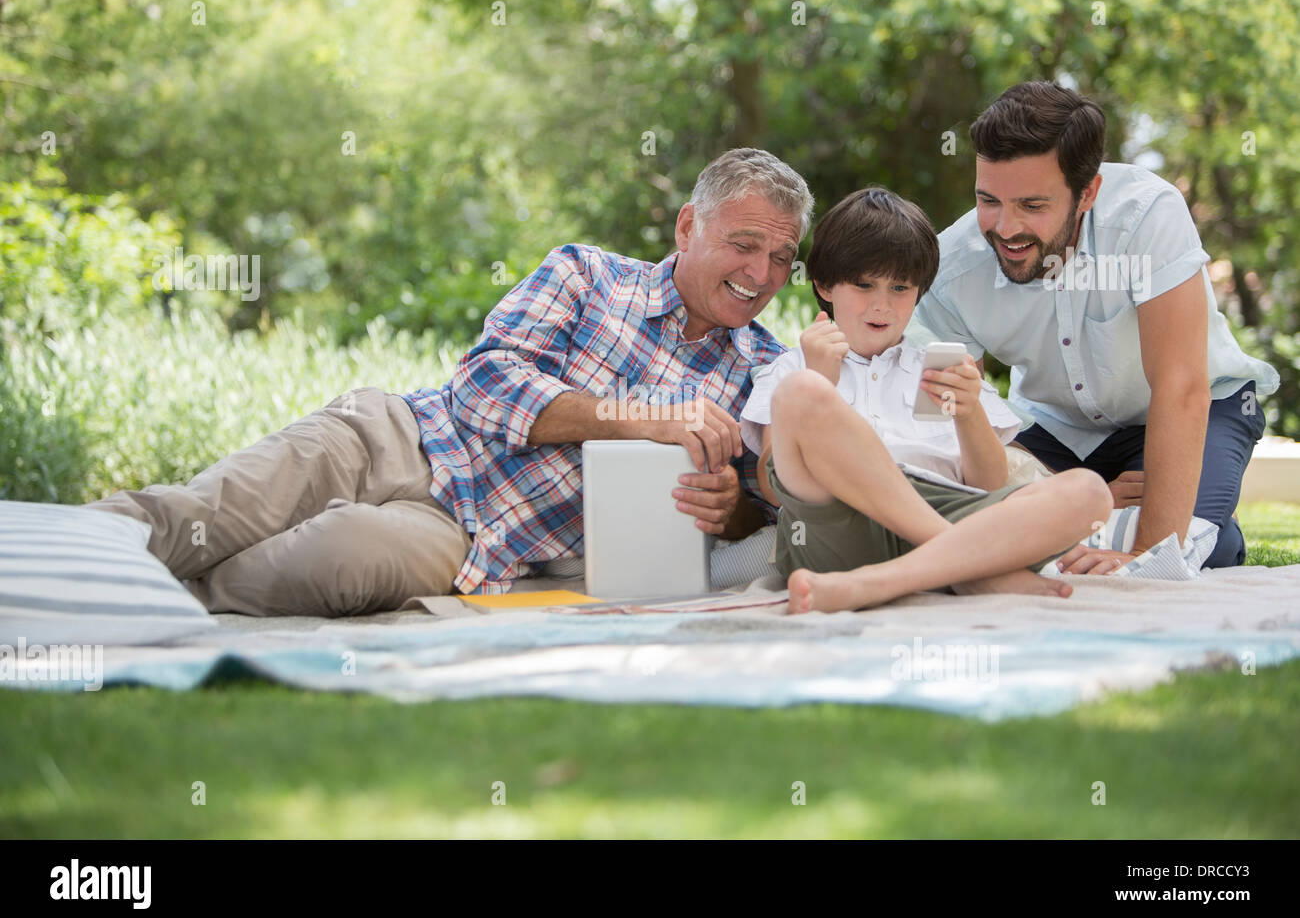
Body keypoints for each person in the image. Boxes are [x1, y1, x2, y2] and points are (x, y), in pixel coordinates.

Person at [83, 148, 813, 615]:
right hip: (400, 438)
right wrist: (637, 416)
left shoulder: (762, 371)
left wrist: (728, 511)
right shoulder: (587, 273)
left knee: (338, 555)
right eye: (743, 244)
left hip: (473, 539)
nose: (760, 275)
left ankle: (165, 602)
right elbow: (486, 382)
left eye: (781, 258)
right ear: (688, 228)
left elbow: (762, 510)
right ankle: (53, 564)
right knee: (206, 509)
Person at [910, 81, 1278, 572]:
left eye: (1032, 206)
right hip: (1052, 430)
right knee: (987, 526)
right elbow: (952, 430)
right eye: (988, 200)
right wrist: (1065, 489)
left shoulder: (1149, 215)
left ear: (1087, 193)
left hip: (1197, 406)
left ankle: (1189, 526)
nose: (1004, 226)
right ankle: (1160, 520)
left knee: (1182, 549)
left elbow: (1182, 386)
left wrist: (1145, 554)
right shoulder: (951, 265)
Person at [740, 187, 1112, 614]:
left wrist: (968, 414)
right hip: (837, 527)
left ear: (919, 292)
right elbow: (772, 490)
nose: (882, 304)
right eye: (864, 285)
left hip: (951, 509)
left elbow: (989, 485)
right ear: (824, 285)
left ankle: (881, 583)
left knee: (1088, 492)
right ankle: (969, 570)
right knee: (801, 393)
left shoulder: (941, 366)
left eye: (900, 287)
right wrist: (818, 377)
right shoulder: (795, 367)